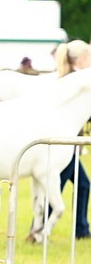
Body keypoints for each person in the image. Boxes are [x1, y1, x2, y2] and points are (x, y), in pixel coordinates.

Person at [54, 42, 91, 238]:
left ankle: (81, 228)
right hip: (66, 143)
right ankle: (41, 228)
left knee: (81, 185)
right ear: (83, 59)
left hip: (67, 143)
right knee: (60, 186)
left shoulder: (70, 80)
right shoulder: (78, 82)